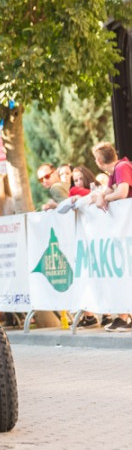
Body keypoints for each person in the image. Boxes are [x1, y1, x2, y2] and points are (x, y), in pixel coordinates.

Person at [89, 142, 132, 332]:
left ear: (99, 161)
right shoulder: (114, 172)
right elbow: (105, 192)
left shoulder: (122, 167)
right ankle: (123, 316)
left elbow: (122, 193)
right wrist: (102, 196)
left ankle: (124, 317)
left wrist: (104, 198)